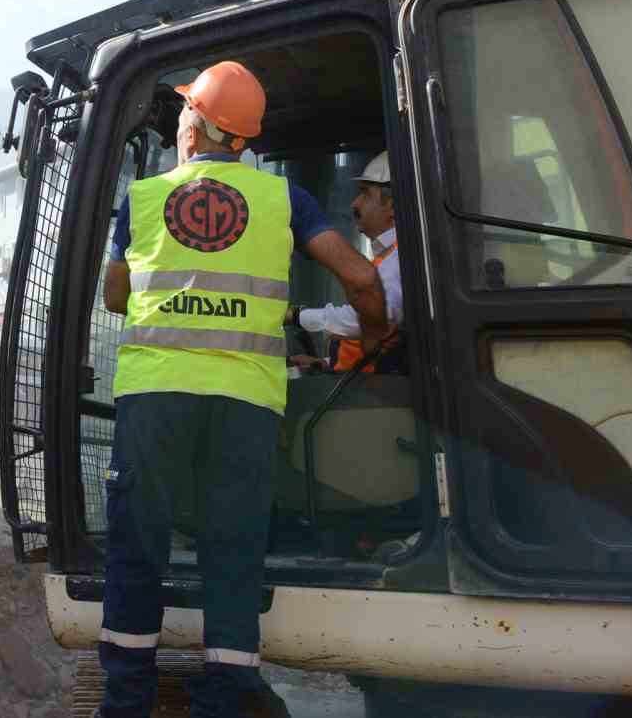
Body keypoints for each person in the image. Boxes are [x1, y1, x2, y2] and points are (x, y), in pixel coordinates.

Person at [98, 61, 389, 718]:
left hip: (155, 399)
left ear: (196, 126)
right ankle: (225, 700)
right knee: (233, 555)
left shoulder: (143, 200)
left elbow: (117, 295)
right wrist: (372, 348)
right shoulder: (285, 199)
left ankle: (125, 703)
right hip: (247, 405)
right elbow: (362, 282)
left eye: (182, 112)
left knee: (137, 549)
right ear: (245, 138)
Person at [286, 151, 404, 373]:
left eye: (365, 194)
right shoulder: (388, 256)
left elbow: (371, 314)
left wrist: (296, 316)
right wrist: (324, 363)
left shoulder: (401, 258)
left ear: (392, 206)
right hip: (361, 384)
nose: (354, 203)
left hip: (377, 396)